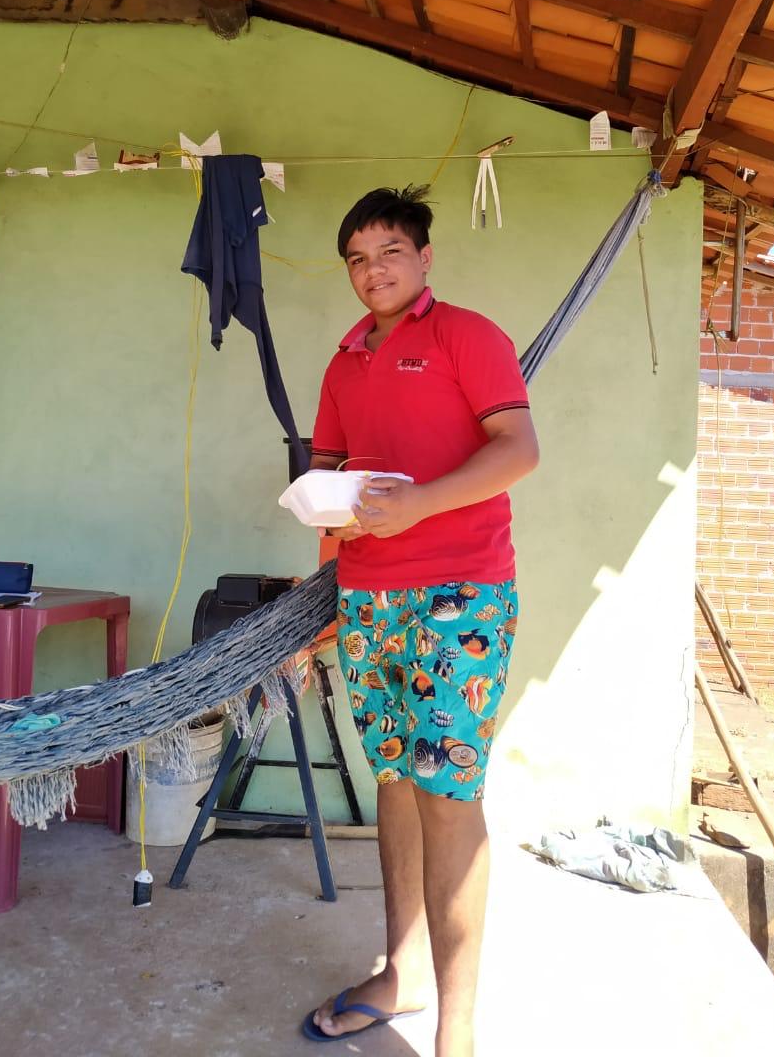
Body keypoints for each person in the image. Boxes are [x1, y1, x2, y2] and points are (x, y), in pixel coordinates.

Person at [301, 185, 539, 1056]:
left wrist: (421, 506)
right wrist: (322, 589)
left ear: (425, 257)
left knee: (447, 795)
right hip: (368, 598)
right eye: (358, 259)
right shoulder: (343, 362)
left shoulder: (467, 337)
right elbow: (329, 475)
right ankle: (398, 975)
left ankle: (459, 1028)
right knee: (395, 784)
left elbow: (519, 449)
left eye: (389, 252)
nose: (374, 271)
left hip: (458, 595)